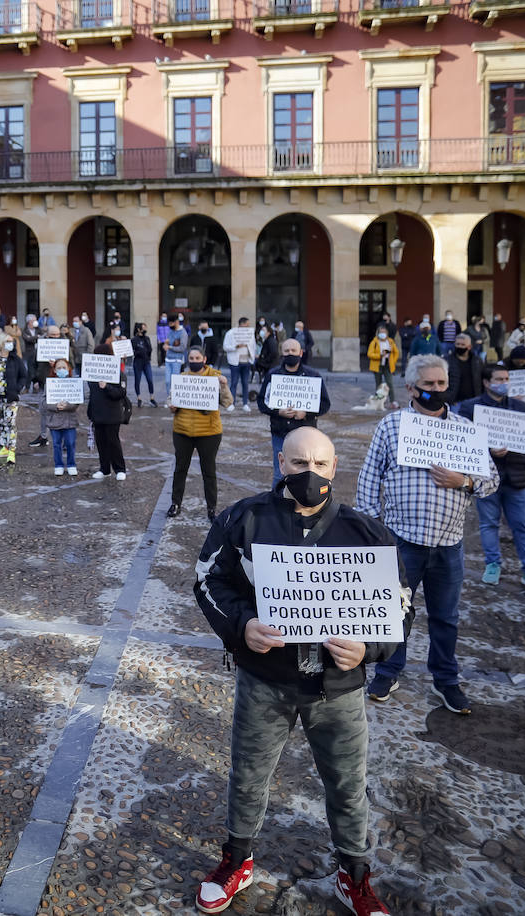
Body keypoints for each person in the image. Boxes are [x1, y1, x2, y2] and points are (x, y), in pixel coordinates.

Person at [192, 427, 407, 916]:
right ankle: (237, 859)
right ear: (280, 464)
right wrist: (241, 626)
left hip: (338, 688)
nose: (310, 473)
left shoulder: (365, 534)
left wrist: (370, 648)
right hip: (265, 680)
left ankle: (354, 875)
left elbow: (400, 607)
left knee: (348, 784)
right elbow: (207, 579)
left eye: (321, 464)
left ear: (335, 468)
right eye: (298, 463)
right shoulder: (243, 519)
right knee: (248, 776)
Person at [356, 354, 499, 715]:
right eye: (429, 384)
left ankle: (446, 680)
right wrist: (376, 531)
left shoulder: (464, 430)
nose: (436, 390)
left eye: (441, 383)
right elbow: (369, 480)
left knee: (446, 617)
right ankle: (389, 671)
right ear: (411, 388)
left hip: (448, 545)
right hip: (402, 540)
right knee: (394, 612)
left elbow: (492, 480)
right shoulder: (391, 426)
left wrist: (463, 481)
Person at [456, 363, 525, 596]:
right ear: (486, 382)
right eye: (499, 379)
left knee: (523, 526)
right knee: (488, 523)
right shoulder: (470, 408)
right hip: (485, 477)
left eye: (506, 379)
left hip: (516, 477)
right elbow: (463, 444)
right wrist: (488, 452)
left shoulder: (521, 407)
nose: (504, 383)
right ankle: (493, 564)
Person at [167, 346, 232, 520]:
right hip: (182, 431)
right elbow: (171, 398)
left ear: (204, 359)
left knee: (209, 471)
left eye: (197, 358)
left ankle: (211, 508)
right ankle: (176, 503)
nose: (194, 361)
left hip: (209, 433)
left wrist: (224, 386)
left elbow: (227, 402)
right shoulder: (181, 378)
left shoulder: (215, 378)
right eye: (192, 358)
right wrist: (171, 405)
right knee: (180, 469)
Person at [259, 338, 331, 487]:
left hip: (306, 434)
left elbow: (325, 404)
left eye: (293, 351)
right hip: (280, 433)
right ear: (282, 353)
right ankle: (278, 506)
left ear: (301, 353)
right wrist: (278, 412)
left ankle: (304, 505)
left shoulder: (313, 376)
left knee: (306, 473)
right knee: (280, 473)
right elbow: (261, 402)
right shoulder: (273, 375)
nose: (290, 353)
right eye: (287, 351)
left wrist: (307, 414)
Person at [0, 332, 29, 465]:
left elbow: (23, 375)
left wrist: (17, 388)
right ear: (0, 343)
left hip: (11, 398)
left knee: (11, 424)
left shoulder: (15, 359)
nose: (11, 344)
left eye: (11, 341)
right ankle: (5, 447)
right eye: (8, 341)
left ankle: (12, 451)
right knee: (2, 423)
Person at [87, 343, 128, 480]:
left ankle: (120, 468)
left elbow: (121, 393)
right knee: (101, 442)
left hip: (112, 414)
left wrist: (107, 387)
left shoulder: (118, 373)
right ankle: (104, 469)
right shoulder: (92, 373)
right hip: (97, 413)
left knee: (113, 441)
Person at [45, 358, 80, 476]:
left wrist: (68, 406)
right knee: (56, 443)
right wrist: (55, 406)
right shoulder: (49, 384)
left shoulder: (73, 383)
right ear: (54, 370)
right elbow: (44, 402)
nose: (61, 370)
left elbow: (77, 401)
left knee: (70, 443)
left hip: (69, 419)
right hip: (54, 419)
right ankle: (58, 465)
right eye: (58, 368)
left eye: (64, 367)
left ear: (68, 369)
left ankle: (71, 464)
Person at [223, 317, 255, 411]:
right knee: (234, 382)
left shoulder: (250, 334)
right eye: (247, 324)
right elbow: (225, 347)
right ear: (241, 324)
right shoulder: (230, 333)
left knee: (245, 383)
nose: (248, 326)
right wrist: (235, 347)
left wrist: (252, 359)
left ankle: (245, 403)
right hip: (235, 362)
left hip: (246, 362)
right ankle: (231, 403)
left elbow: (253, 346)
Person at [446, 333, 485, 405]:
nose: (460, 346)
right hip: (455, 402)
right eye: (457, 344)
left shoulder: (477, 361)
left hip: (475, 401)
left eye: (462, 345)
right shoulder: (447, 361)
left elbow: (482, 379)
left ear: (469, 347)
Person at [367, 326, 400, 402]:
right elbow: (370, 354)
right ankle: (379, 400)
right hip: (377, 366)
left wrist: (393, 361)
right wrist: (380, 356)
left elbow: (396, 352)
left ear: (387, 333)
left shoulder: (390, 341)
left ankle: (392, 401)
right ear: (378, 333)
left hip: (387, 365)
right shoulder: (374, 342)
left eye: (384, 332)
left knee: (390, 383)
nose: (382, 334)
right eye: (381, 332)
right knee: (378, 384)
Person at [132, 323, 157, 406]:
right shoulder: (134, 339)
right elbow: (133, 351)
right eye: (143, 328)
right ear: (139, 329)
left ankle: (152, 398)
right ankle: (139, 398)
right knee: (137, 380)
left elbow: (150, 349)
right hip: (138, 362)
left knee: (150, 379)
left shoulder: (147, 338)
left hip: (146, 362)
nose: (145, 329)